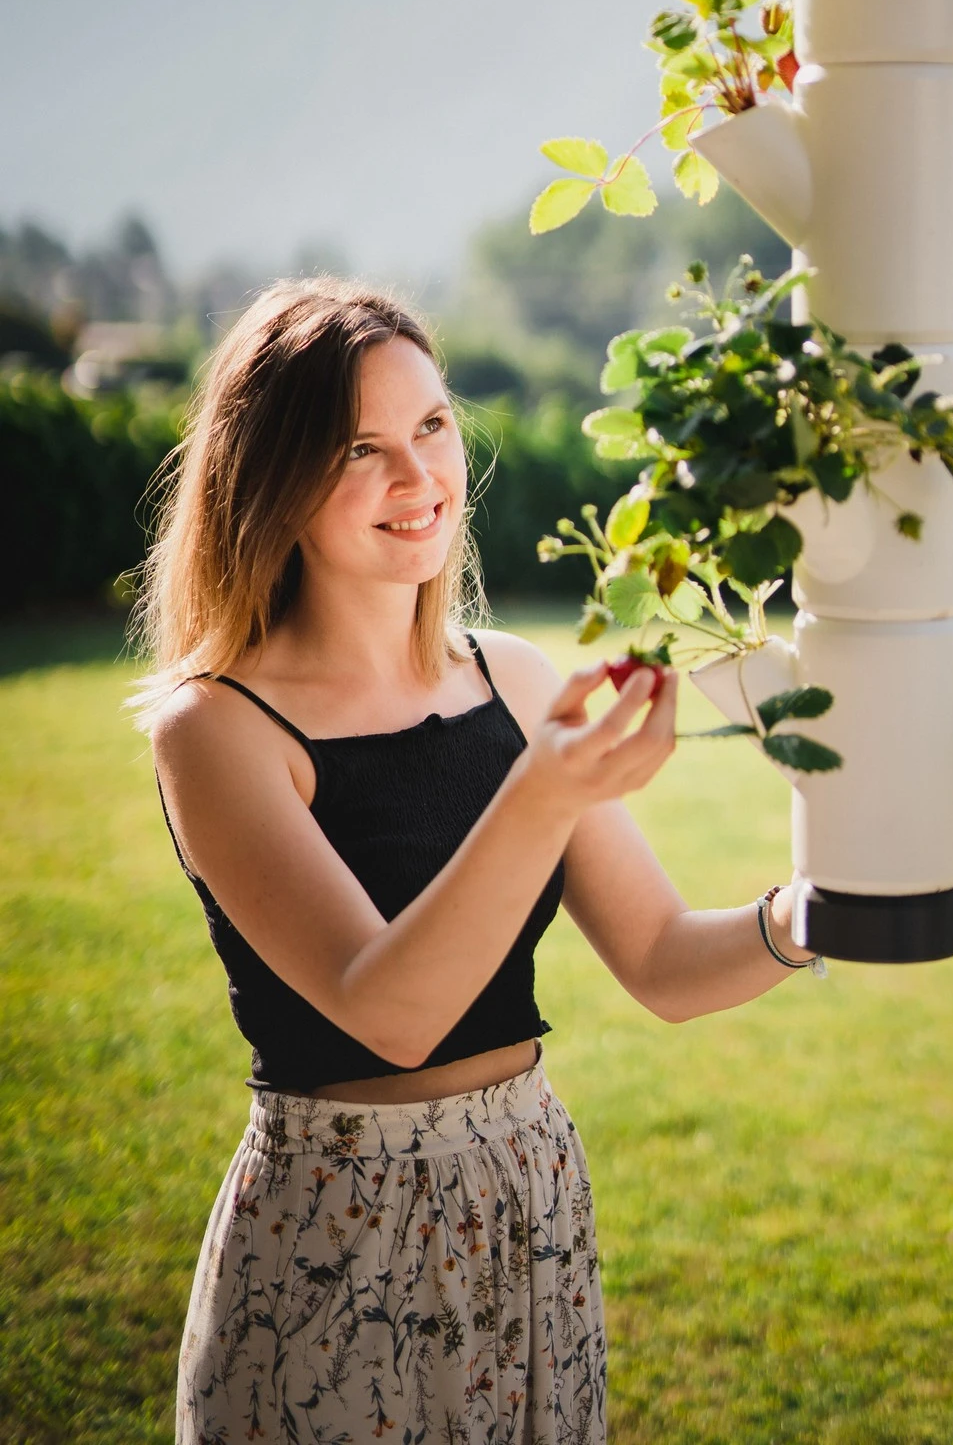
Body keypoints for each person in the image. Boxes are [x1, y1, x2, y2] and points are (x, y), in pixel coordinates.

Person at [133, 278, 819, 1445]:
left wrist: (815, 911)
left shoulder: (511, 678)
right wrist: (545, 787)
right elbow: (387, 1008)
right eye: (362, 447)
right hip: (336, 1228)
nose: (419, 478)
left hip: (526, 1196)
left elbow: (660, 958)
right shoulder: (217, 728)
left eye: (433, 427)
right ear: (273, 476)